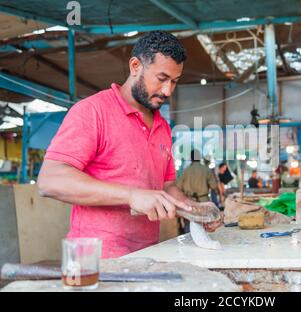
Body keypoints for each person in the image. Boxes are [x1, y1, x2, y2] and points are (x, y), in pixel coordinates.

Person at [37, 31, 222, 259]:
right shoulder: (93, 111)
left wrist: (195, 210)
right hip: (96, 261)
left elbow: (166, 187)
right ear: (135, 66)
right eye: (162, 78)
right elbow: (50, 180)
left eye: (174, 81)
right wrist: (132, 195)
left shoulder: (162, 127)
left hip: (146, 255)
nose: (168, 91)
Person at [176, 150, 218, 232]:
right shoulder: (206, 170)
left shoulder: (186, 171)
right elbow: (214, 186)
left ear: (191, 158)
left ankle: (189, 242)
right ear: (199, 158)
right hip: (203, 202)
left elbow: (178, 187)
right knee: (205, 227)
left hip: (189, 203)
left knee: (189, 228)